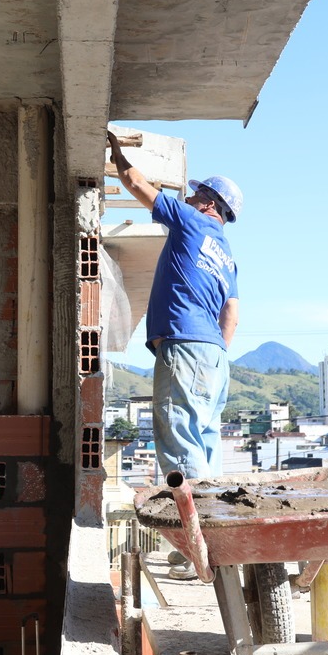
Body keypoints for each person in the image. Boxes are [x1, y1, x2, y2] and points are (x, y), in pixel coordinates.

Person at [106, 130, 241, 480]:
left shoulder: (191, 220)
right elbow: (232, 315)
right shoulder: (227, 256)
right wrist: (211, 354)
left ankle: (194, 522)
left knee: (179, 437)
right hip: (215, 358)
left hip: (185, 345)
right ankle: (213, 515)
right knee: (205, 438)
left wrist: (116, 150)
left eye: (196, 195)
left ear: (209, 204)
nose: (191, 198)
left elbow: (135, 184)